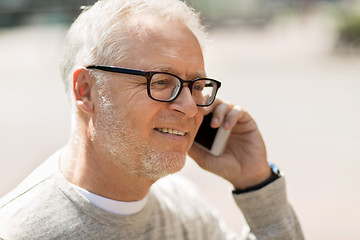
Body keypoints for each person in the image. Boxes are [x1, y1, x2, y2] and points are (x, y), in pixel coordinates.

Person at [0, 0, 304, 239]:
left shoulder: (184, 206)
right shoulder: (21, 231)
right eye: (160, 82)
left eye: (196, 86)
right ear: (86, 91)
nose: (189, 107)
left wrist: (256, 184)